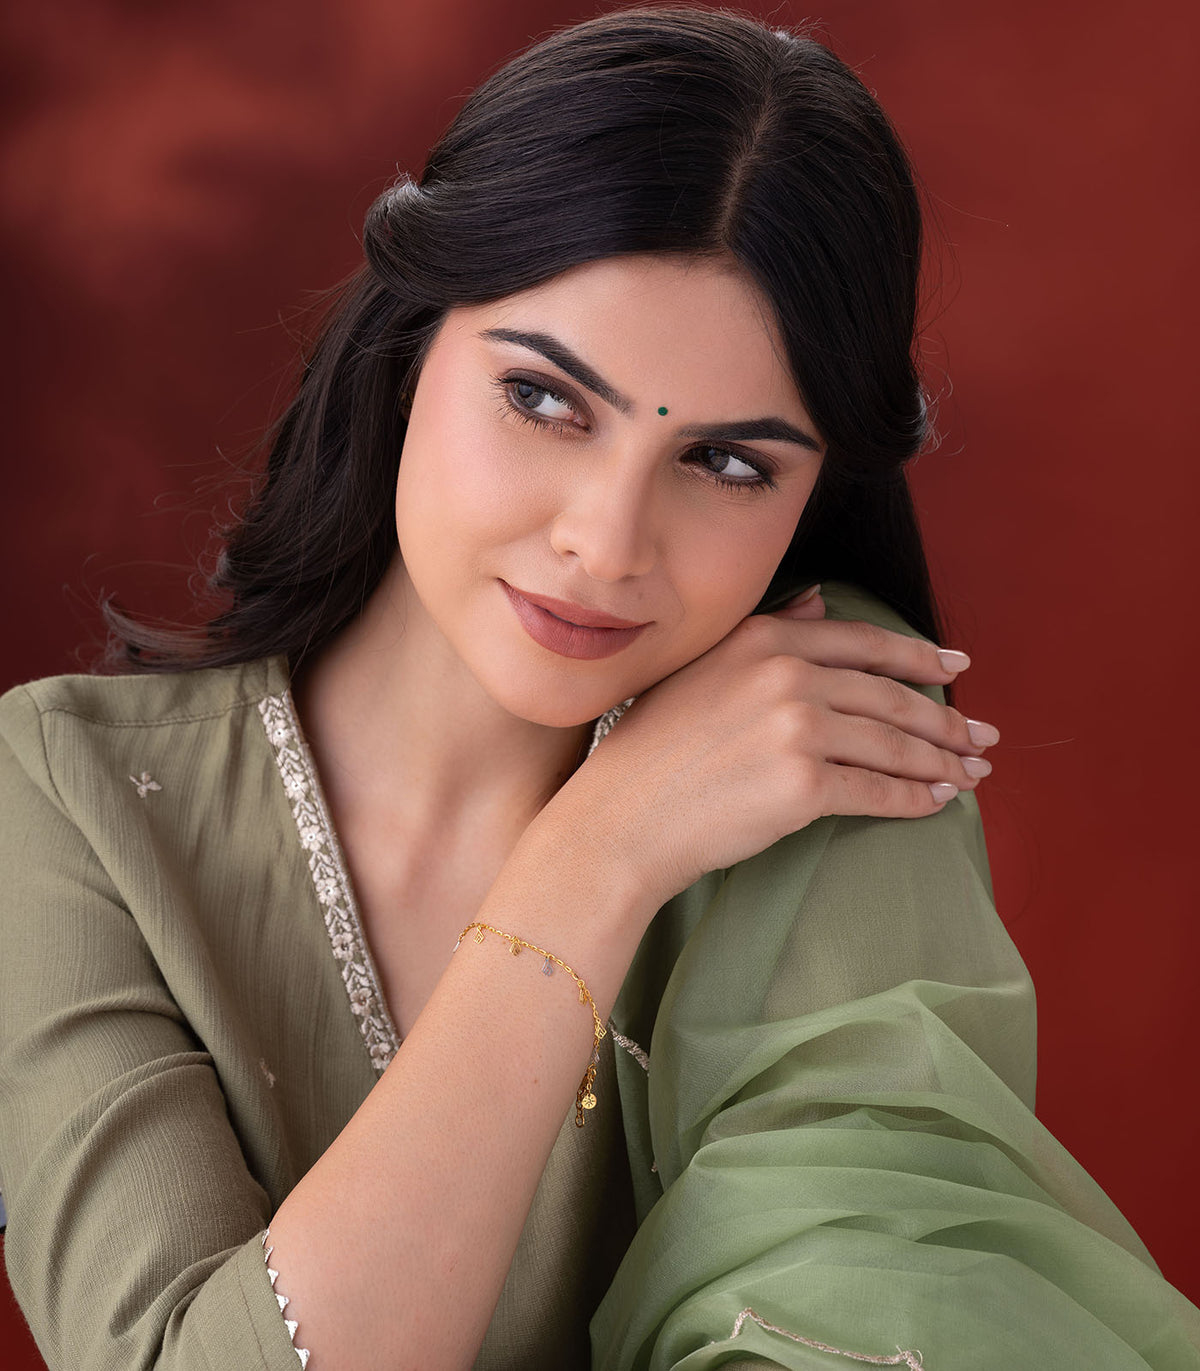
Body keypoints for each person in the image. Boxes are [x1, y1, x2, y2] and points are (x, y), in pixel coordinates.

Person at [1, 5, 1196, 1368]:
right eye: (545, 401)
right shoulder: (69, 799)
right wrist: (597, 855)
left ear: (815, 491)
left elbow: (858, 1321)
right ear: (409, 344)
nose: (607, 544)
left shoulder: (812, 743)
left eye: (731, 465)